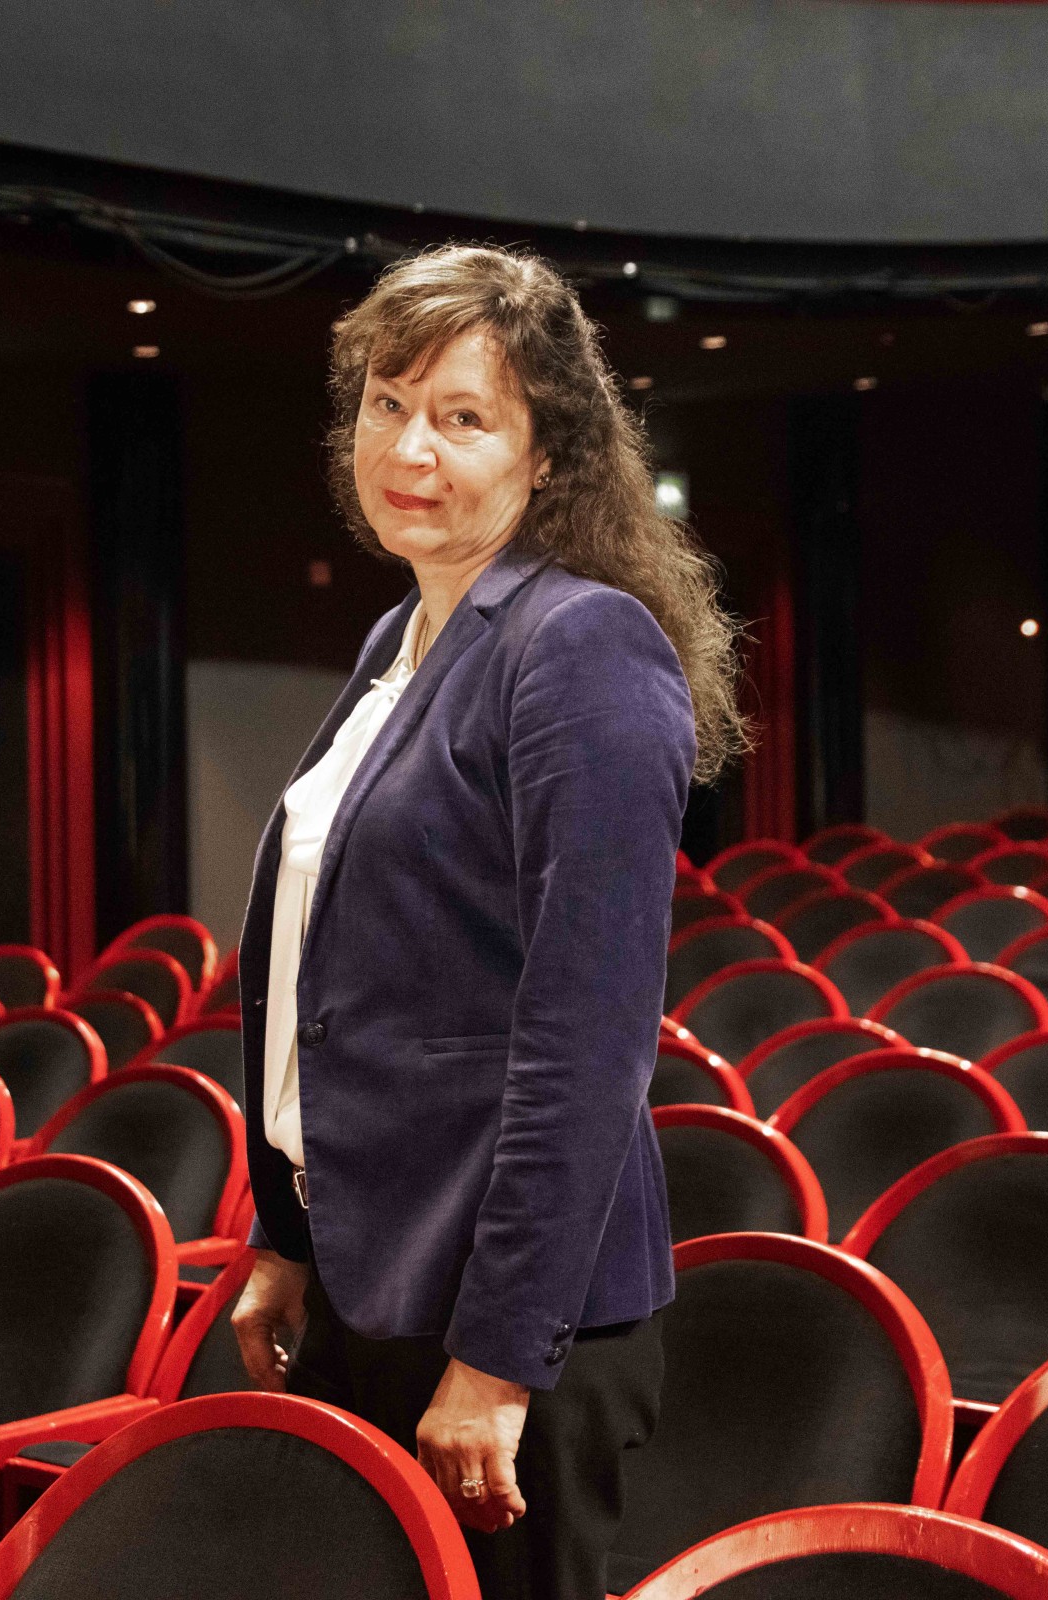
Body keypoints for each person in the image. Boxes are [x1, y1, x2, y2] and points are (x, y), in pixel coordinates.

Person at [228, 243, 748, 1600]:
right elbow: (340, 986)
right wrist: (287, 1235)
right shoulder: (404, 639)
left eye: (465, 417)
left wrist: (501, 1355)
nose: (413, 447)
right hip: (372, 1271)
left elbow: (587, 1042)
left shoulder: (582, 644)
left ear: (548, 455)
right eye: (388, 405)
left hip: (504, 1319)